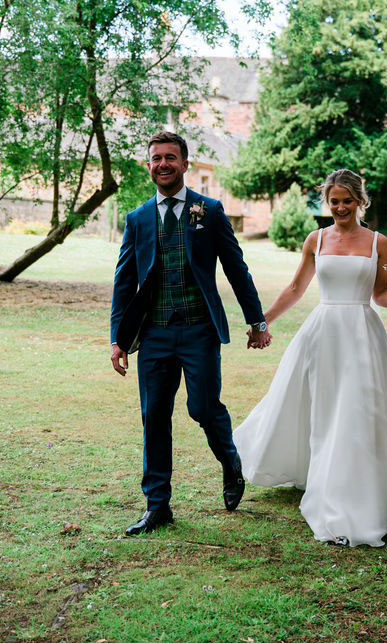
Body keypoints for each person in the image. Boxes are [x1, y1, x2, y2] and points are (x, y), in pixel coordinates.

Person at [233, 169, 387, 547]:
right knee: (320, 408)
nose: (339, 207)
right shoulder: (315, 240)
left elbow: (381, 295)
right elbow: (295, 288)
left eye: (347, 201)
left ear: (360, 201)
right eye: (334, 201)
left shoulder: (377, 243)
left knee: (359, 410)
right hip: (322, 333)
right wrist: (262, 321)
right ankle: (318, 472)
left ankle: (360, 487)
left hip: (362, 336)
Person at [110, 131, 272, 535]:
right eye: (156, 158)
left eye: (171, 157)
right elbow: (123, 282)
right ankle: (157, 505)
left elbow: (236, 269)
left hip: (200, 330)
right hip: (155, 335)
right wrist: (117, 338)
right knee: (154, 417)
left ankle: (230, 461)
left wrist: (257, 321)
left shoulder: (210, 211)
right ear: (148, 165)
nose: (163, 164)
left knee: (202, 407)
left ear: (185, 163)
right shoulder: (138, 219)